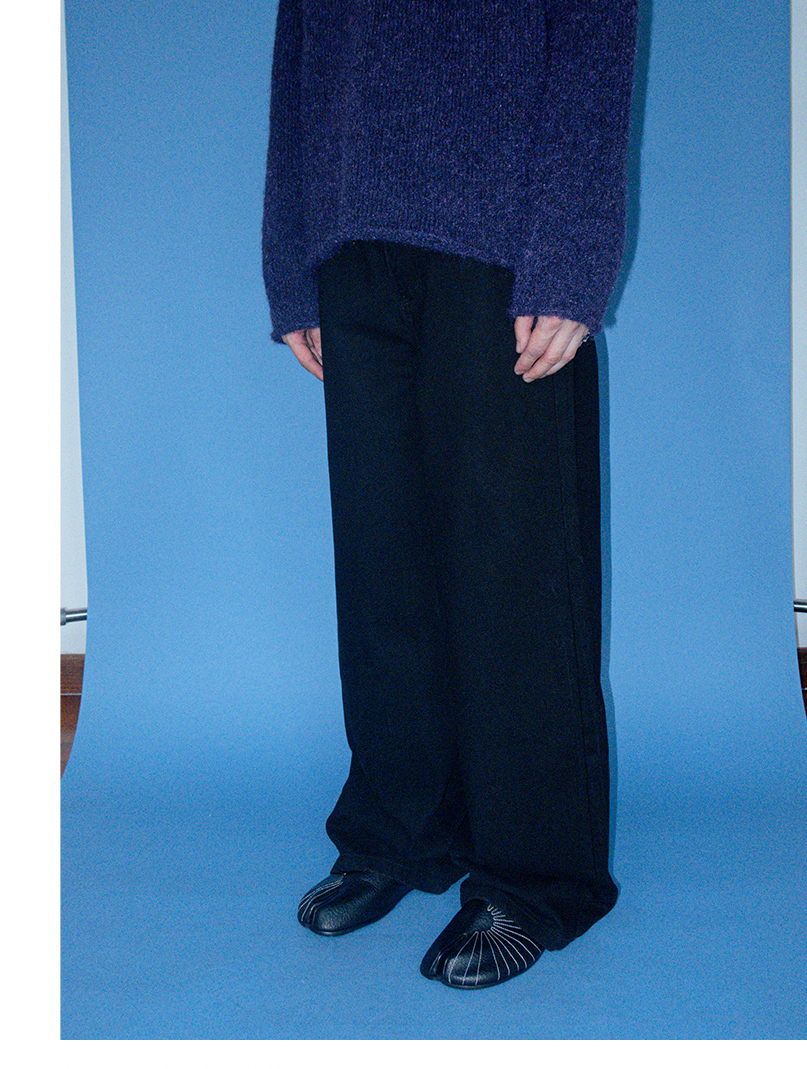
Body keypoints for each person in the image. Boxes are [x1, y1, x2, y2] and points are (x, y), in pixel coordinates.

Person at [262, 0, 638, 990]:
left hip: (504, 240)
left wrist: (572, 257)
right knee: (384, 564)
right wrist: (292, 267)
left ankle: (537, 874)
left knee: (515, 566)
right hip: (352, 239)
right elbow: (299, 56)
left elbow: (594, 39)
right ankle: (402, 828)